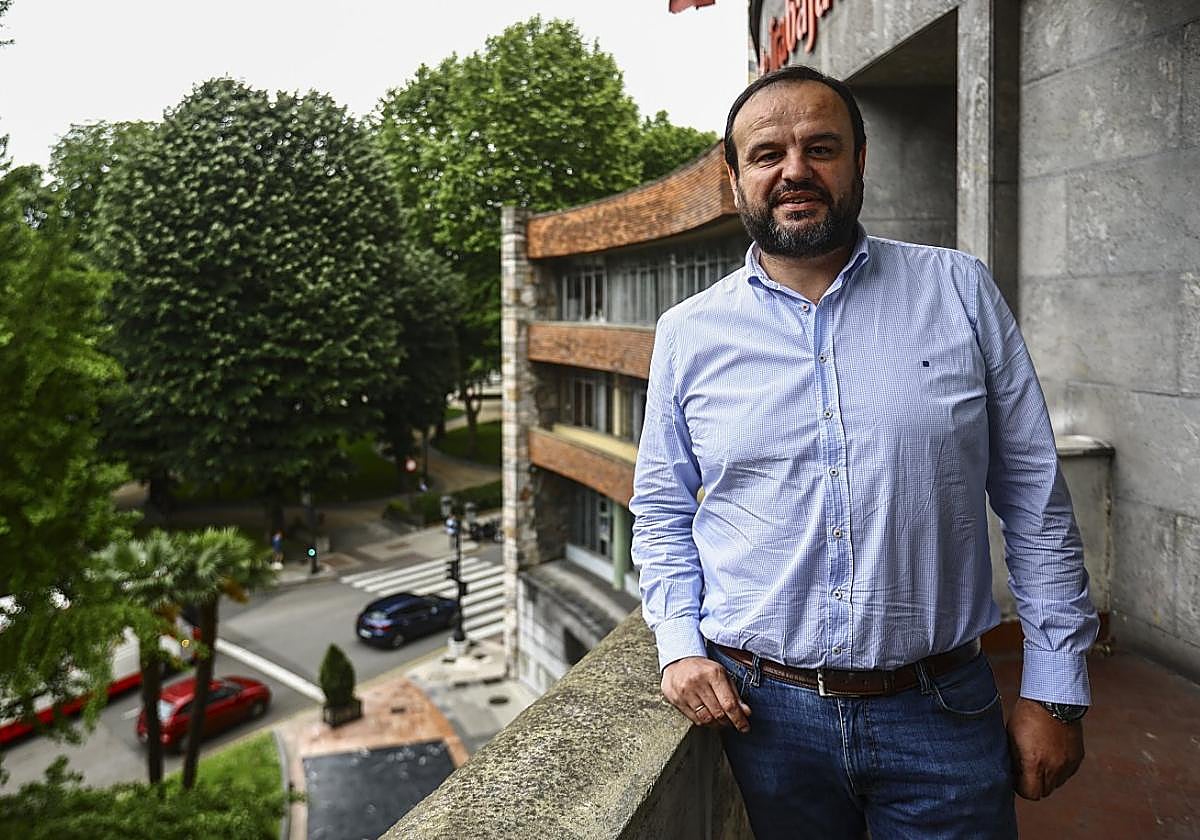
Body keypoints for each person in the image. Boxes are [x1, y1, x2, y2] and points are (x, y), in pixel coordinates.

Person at [630, 65, 1098, 839]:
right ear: (734, 174)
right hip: (765, 724)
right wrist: (679, 647)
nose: (795, 172)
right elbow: (662, 511)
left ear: (861, 159)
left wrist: (1056, 689)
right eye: (768, 154)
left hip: (942, 712)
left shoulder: (960, 291)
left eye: (821, 147)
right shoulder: (688, 333)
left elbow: (1035, 499)